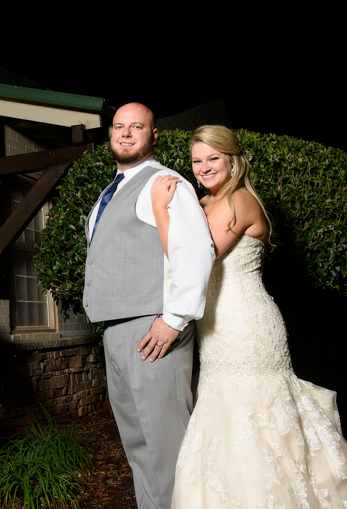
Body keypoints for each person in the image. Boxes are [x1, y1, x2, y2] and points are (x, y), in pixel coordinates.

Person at [151, 125, 347, 508]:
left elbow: (191, 262)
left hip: (247, 326)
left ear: (233, 160)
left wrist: (159, 209)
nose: (203, 167)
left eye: (213, 158)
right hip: (215, 331)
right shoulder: (201, 204)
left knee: (255, 422)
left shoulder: (242, 201)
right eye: (197, 160)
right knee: (224, 422)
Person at [83, 103, 215, 509]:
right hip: (117, 329)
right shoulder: (111, 191)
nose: (125, 133)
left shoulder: (166, 181)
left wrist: (174, 320)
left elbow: (196, 251)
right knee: (139, 445)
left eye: (136, 127)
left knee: (164, 446)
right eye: (118, 127)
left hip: (152, 328)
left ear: (153, 135)